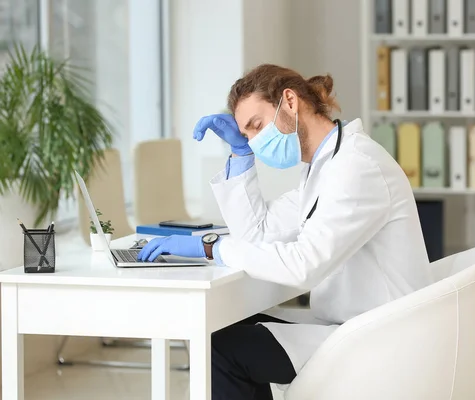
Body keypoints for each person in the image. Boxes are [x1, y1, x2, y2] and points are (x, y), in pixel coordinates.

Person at [138, 64, 433, 400]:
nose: (256, 140)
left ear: (290, 102)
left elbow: (303, 265)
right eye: (247, 134)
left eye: (257, 126)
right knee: (220, 328)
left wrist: (211, 248)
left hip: (379, 339)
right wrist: (240, 154)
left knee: (224, 350)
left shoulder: (356, 166)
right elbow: (257, 233)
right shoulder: (324, 168)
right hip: (351, 326)